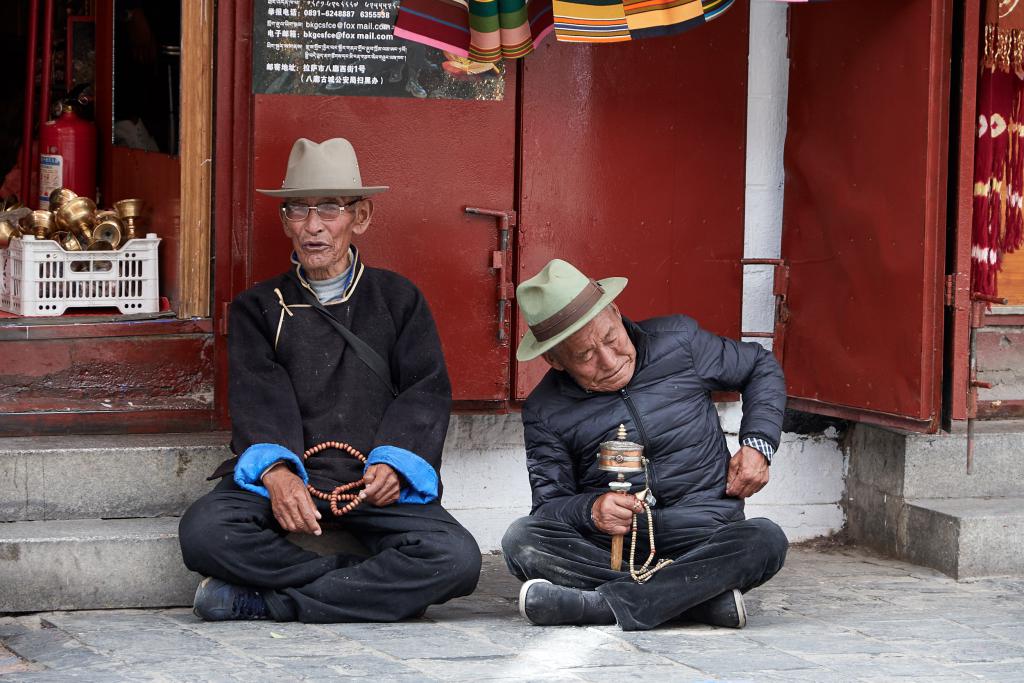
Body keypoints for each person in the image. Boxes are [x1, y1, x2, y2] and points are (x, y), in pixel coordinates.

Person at [178, 137, 481, 622]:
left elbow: (425, 392)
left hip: (371, 481)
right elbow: (259, 399)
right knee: (205, 532)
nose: (313, 227)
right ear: (285, 222)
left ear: (360, 217)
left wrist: (397, 465)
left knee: (458, 561)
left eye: (330, 209)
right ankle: (354, 580)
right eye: (298, 211)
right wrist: (276, 473)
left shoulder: (398, 299)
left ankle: (266, 602)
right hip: (295, 476)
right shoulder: (259, 307)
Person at [502, 259, 788, 631]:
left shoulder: (680, 342)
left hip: (706, 535)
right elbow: (549, 507)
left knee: (765, 539)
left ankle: (601, 606)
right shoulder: (545, 410)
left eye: (610, 338)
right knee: (521, 540)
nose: (609, 360)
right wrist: (592, 510)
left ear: (616, 312)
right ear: (553, 360)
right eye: (585, 356)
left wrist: (758, 445)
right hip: (615, 551)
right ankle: (694, 601)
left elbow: (760, 367)